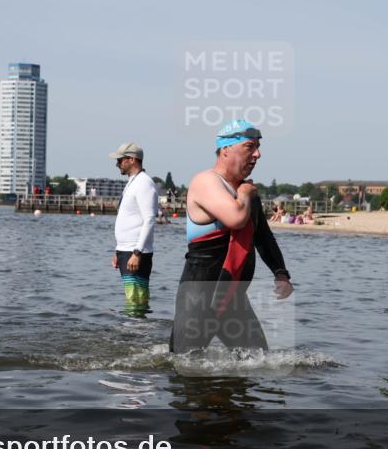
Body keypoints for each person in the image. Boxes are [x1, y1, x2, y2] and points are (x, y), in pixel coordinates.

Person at [170, 120, 293, 354]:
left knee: (258, 362)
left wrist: (281, 273)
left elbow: (263, 237)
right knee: (185, 369)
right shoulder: (206, 181)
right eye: (250, 147)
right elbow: (235, 218)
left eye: (258, 148)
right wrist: (246, 192)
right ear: (226, 149)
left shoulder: (246, 193)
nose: (257, 154)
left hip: (233, 297)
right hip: (199, 295)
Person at [109, 142, 158, 312]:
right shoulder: (132, 182)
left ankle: (136, 334)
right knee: (133, 298)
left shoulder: (144, 183)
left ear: (132, 159)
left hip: (135, 252)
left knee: (135, 299)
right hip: (126, 250)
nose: (117, 164)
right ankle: (132, 333)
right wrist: (118, 250)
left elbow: (149, 219)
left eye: (120, 160)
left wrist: (137, 252)